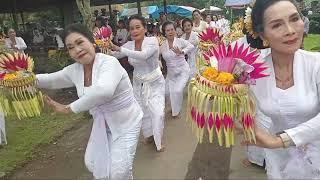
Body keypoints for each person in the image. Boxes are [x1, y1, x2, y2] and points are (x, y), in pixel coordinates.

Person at [36, 23, 143, 179]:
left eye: (80, 43)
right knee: (93, 163)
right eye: (71, 47)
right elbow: (50, 80)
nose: (77, 50)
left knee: (118, 173)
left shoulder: (108, 62)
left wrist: (68, 108)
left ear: (92, 41)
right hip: (102, 124)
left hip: (127, 122)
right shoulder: (74, 70)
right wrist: (21, 79)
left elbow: (103, 92)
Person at [243, 0, 320, 179]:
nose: (290, 30)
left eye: (294, 19)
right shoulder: (253, 71)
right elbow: (242, 108)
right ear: (262, 34)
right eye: (277, 25)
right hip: (277, 157)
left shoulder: (316, 64)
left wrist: (279, 140)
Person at [111, 15, 165, 152]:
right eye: (131, 28)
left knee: (157, 112)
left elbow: (143, 55)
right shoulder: (129, 45)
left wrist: (119, 49)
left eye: (137, 27)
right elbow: (113, 55)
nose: (134, 31)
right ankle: (149, 135)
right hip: (138, 83)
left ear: (145, 28)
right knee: (142, 112)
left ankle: (159, 139)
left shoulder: (152, 41)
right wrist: (100, 48)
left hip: (155, 82)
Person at [160, 21, 193, 118]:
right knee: (166, 92)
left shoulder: (179, 41)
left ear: (175, 31)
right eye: (167, 30)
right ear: (164, 32)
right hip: (171, 73)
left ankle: (176, 112)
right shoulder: (162, 45)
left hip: (183, 70)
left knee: (177, 90)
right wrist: (158, 61)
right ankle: (172, 107)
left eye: (172, 30)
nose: (170, 32)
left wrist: (182, 51)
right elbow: (155, 54)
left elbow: (190, 46)